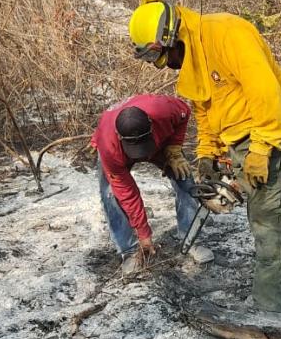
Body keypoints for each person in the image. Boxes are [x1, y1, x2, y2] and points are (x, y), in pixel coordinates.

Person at [127, 0, 281, 314]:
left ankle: (269, 307)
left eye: (165, 59)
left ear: (171, 39)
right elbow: (205, 109)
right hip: (239, 136)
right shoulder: (192, 56)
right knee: (267, 216)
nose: (168, 68)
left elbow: (266, 93)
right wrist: (207, 154)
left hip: (271, 129)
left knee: (268, 219)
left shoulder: (227, 35)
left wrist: (261, 149)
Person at [91, 94, 214, 274]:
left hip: (159, 141)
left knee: (185, 179)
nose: (141, 154)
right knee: (110, 193)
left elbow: (184, 113)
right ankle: (128, 250)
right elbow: (128, 193)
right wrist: (144, 234)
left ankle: (191, 237)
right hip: (113, 146)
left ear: (151, 122)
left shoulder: (164, 109)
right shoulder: (110, 148)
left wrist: (174, 148)